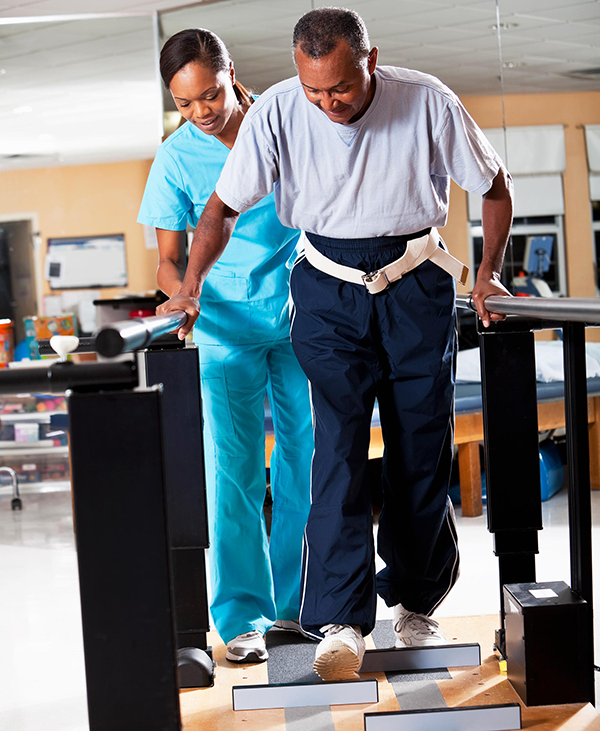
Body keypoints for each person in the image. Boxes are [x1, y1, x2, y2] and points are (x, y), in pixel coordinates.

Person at [159, 8, 513, 681]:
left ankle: (414, 599)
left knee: (419, 446)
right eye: (315, 90)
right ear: (297, 73)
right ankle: (341, 618)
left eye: (342, 88)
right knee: (338, 452)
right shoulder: (279, 112)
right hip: (326, 293)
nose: (329, 104)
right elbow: (222, 209)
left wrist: (489, 272)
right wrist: (191, 284)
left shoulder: (428, 100)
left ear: (370, 60)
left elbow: (493, 186)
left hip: (415, 285)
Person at [137, 28, 313, 664]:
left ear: (229, 71)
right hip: (223, 325)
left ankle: (303, 609)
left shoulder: (285, 122)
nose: (202, 112)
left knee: (309, 460)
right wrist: (181, 296)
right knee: (234, 471)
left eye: (209, 94)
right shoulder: (175, 158)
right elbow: (168, 260)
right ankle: (242, 617)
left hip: (302, 316)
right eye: (185, 104)